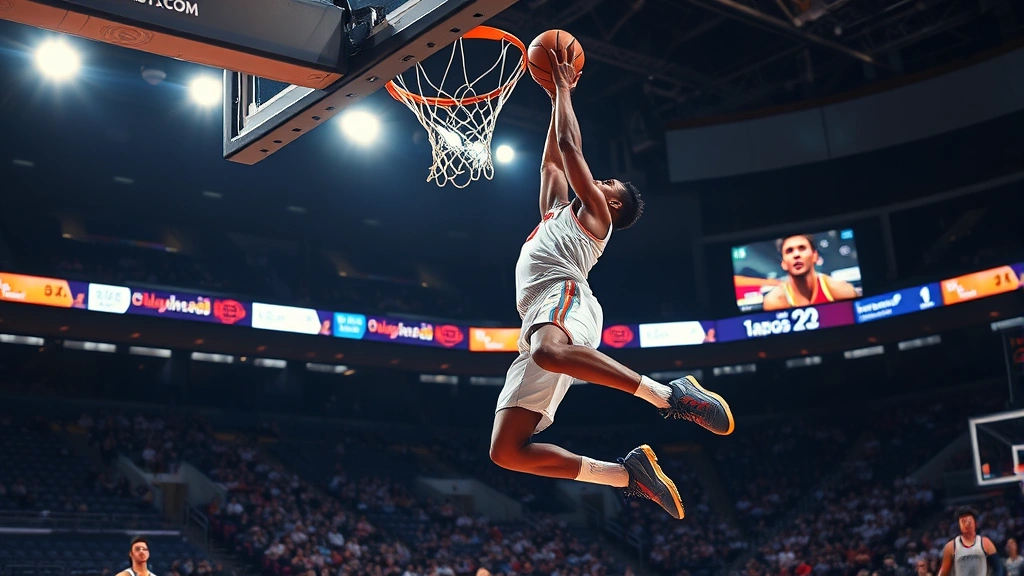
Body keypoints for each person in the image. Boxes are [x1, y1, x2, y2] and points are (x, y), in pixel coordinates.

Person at [488, 39, 734, 521]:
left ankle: (671, 396)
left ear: (613, 203)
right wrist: (551, 96)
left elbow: (569, 147)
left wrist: (565, 90)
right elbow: (553, 161)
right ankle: (627, 474)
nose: (597, 183)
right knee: (507, 451)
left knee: (547, 352)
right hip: (537, 316)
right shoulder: (555, 211)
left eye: (606, 184)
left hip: (564, 296)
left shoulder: (596, 215)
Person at [762, 234, 858, 311]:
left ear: (815, 256)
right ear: (783, 264)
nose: (796, 255)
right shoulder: (774, 301)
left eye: (802, 248)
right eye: (789, 251)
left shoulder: (842, 291)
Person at [938, 507, 1004, 576]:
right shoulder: (951, 546)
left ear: (976, 523)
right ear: (958, 525)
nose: (966, 524)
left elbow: (998, 568)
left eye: (969, 521)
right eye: (963, 521)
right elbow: (943, 572)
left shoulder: (986, 543)